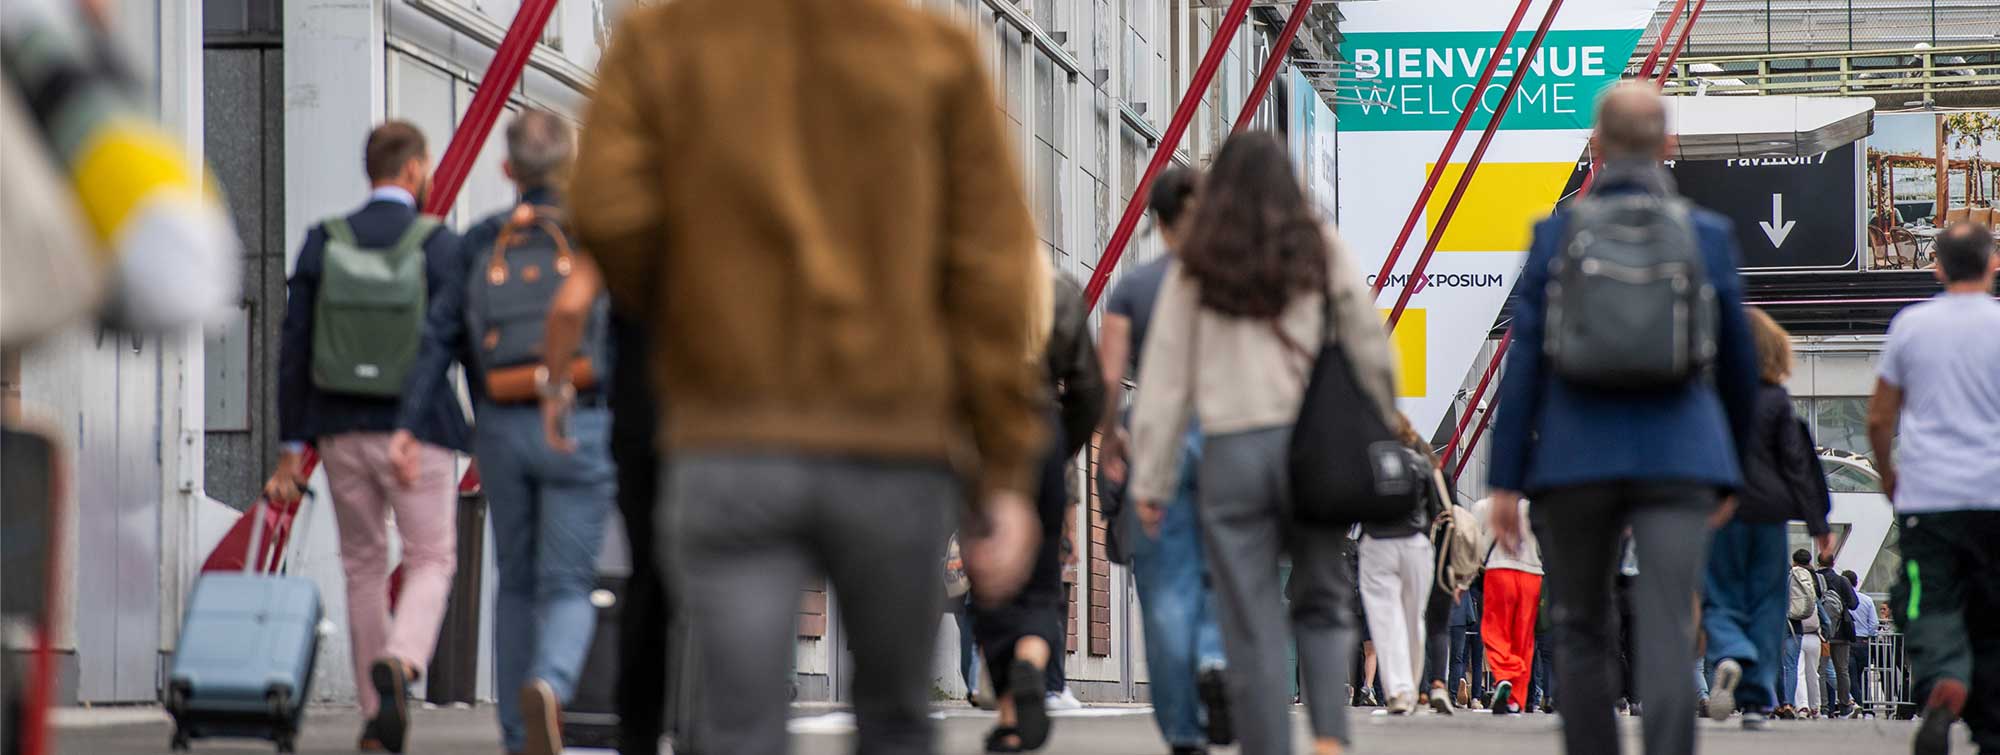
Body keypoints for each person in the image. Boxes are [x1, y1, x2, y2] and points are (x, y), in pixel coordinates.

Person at [571, 1, 1048, 751]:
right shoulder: (936, 54)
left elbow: (605, 208)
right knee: (894, 717)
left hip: (729, 434)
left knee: (737, 719)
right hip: (894, 443)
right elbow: (991, 274)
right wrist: (1005, 465)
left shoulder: (663, 40)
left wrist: (696, 311)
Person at [1484, 83, 1760, 755]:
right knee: (1668, 624)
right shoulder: (1708, 236)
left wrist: (1505, 479)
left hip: (1575, 455)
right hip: (1680, 453)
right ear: (1668, 145)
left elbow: (1525, 362)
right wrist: (1730, 468)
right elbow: (1740, 365)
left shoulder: (1557, 235)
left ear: (1596, 146)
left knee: (1580, 626)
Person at [1129, 132, 1397, 755]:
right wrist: (1380, 422)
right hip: (1312, 453)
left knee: (1248, 612)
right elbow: (1369, 345)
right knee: (1325, 596)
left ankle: (1268, 745)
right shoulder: (1318, 247)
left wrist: (1152, 477)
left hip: (1232, 449)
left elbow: (1166, 377)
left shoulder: (1200, 258)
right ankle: (1330, 733)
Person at [385, 110, 611, 755]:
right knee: (568, 582)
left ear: (508, 170)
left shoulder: (480, 241)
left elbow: (438, 339)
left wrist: (408, 425)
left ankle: (517, 736)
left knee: (515, 581)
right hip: (577, 419)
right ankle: (551, 682)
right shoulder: (596, 238)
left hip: (501, 427)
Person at [266, 121, 466, 754]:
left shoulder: (324, 241)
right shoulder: (437, 245)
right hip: (420, 430)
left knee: (361, 567)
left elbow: (293, 348)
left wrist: (292, 447)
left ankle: (379, 714)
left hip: (341, 429)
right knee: (431, 556)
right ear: (414, 171)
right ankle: (404, 660)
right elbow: (456, 341)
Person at [1096, 165, 1232, 754]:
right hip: (1227, 438)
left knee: (1163, 585)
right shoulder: (1230, 285)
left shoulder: (1134, 288)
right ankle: (1215, 656)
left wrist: (1111, 439)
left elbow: (1108, 376)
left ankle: (1182, 728)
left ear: (1156, 219)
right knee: (1221, 572)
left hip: (1158, 436)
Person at [1866, 221, 2000, 755]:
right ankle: (1991, 726)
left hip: (1931, 497)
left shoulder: (1911, 326)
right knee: (1992, 610)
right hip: (1994, 495)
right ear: (1992, 264)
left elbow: (1879, 417)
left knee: (1926, 600)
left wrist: (1888, 474)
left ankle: (1944, 683)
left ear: (1937, 267)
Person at [972, 262, 1104, 752]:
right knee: (1042, 577)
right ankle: (1031, 659)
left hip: (984, 432)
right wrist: (1061, 445)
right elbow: (1089, 389)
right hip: (1041, 427)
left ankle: (1009, 715)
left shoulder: (967, 278)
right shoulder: (1058, 288)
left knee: (991, 577)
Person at [1702, 307, 1834, 728]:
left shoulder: (1711, 397)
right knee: (1767, 604)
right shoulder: (1776, 400)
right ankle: (1758, 700)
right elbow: (1797, 463)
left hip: (1721, 510)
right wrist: (1818, 524)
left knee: (1719, 596)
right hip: (1770, 514)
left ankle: (1732, 652)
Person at [1358, 416, 1445, 715]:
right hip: (1415, 544)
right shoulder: (1421, 464)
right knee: (1413, 617)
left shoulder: (1367, 461)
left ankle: (1396, 690)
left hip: (1377, 542)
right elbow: (1434, 510)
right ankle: (1410, 685)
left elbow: (1355, 504)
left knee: (1384, 618)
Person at [1469, 495, 1542, 716]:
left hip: (1499, 570)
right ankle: (1515, 700)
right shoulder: (1535, 507)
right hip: (1532, 573)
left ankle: (1505, 673)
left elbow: (1475, 545)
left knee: (1495, 630)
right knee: (1524, 638)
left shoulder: (1484, 507)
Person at [1815, 551, 1860, 717]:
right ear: (1834, 564)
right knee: (1842, 670)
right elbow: (1854, 603)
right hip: (1841, 632)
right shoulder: (1842, 580)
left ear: (1818, 562)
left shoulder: (1815, 579)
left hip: (1821, 633)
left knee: (1820, 670)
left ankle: (1823, 707)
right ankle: (1845, 705)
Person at [1791, 549, 1828, 718]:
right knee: (1814, 673)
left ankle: (1803, 706)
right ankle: (1816, 707)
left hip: (1796, 632)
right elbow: (1823, 611)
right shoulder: (1817, 579)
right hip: (1815, 634)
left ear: (1794, 561)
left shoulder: (1790, 578)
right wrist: (1825, 634)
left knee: (1798, 671)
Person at [1847, 569, 1878, 715]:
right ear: (1856, 582)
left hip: (1849, 641)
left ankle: (1860, 704)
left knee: (1851, 676)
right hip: (1864, 642)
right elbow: (1874, 624)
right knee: (1864, 676)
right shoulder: (1867, 600)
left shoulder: (1844, 601)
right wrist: (1869, 635)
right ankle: (1868, 706)